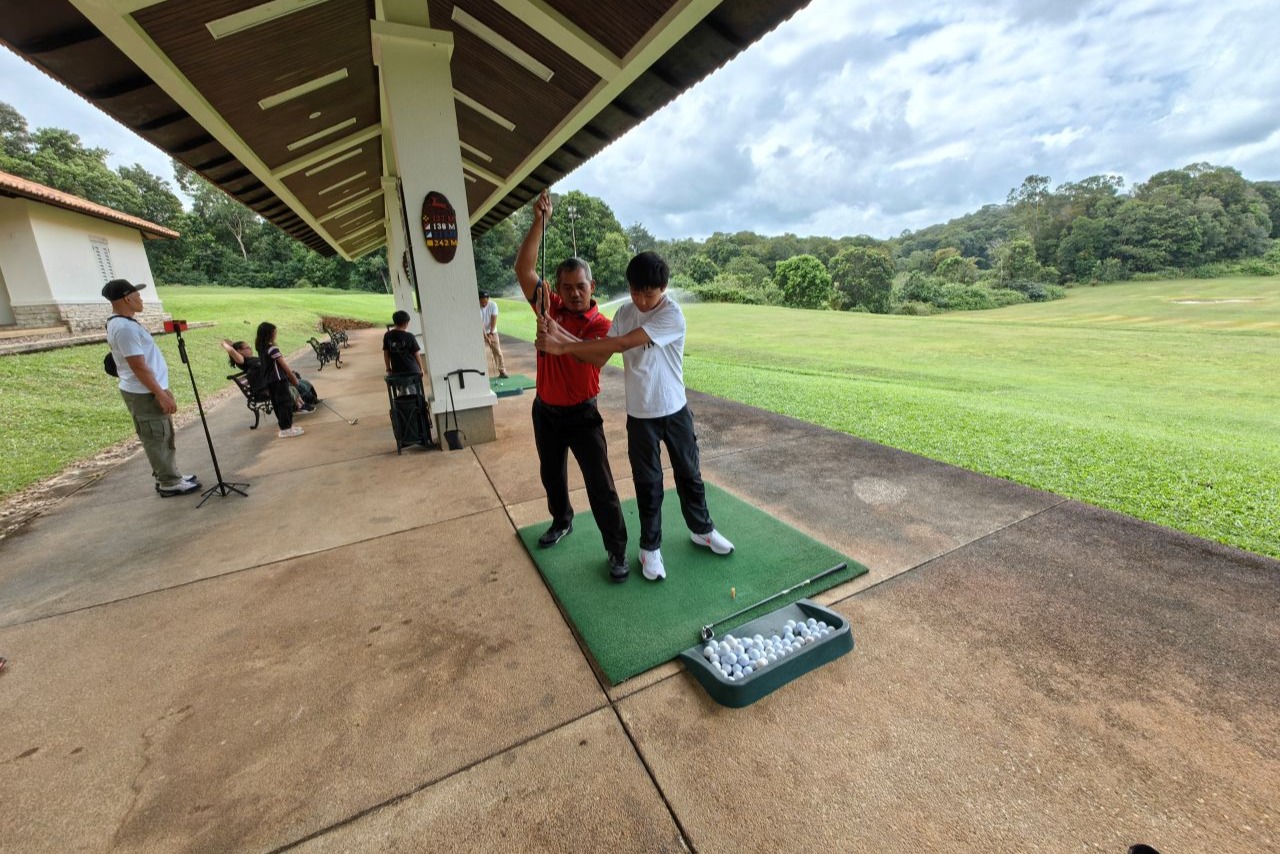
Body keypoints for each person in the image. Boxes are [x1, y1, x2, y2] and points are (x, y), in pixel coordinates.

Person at [536, 250, 734, 582]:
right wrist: (559, 337)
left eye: (649, 293)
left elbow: (623, 344)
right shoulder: (626, 313)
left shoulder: (672, 315)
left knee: (689, 473)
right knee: (649, 483)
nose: (641, 300)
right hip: (641, 414)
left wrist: (562, 346)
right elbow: (600, 354)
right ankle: (649, 549)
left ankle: (702, 529)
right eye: (635, 291)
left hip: (675, 409)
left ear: (664, 288)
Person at [515, 189, 629, 583]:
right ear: (558, 289)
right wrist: (539, 223)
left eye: (581, 286)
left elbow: (596, 356)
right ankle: (562, 521)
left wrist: (557, 338)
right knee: (552, 474)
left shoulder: (601, 323)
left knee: (601, 485)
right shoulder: (549, 306)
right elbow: (523, 269)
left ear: (592, 285)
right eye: (567, 288)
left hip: (582, 413)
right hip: (545, 410)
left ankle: (616, 549)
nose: (575, 293)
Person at [102, 278, 200, 497]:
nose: (140, 299)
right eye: (137, 295)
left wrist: (163, 389)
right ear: (127, 298)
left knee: (163, 435)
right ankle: (169, 482)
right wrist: (159, 393)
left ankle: (170, 474)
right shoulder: (124, 328)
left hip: (149, 388)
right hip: (143, 392)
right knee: (156, 436)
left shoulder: (125, 323)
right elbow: (138, 366)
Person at [223, 339, 315, 413]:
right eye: (247, 348)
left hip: (269, 383)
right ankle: (298, 407)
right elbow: (231, 350)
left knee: (297, 384)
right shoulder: (243, 361)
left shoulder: (251, 359)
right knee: (288, 388)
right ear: (239, 351)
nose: (250, 349)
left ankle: (303, 403)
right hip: (263, 389)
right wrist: (224, 343)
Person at [255, 322, 304, 438]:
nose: (276, 334)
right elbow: (283, 365)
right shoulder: (272, 348)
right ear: (269, 334)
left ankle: (287, 427)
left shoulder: (262, 348)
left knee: (278, 404)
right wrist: (293, 378)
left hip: (270, 381)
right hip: (279, 380)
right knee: (285, 403)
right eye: (274, 332)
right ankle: (286, 429)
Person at [382, 310, 425, 376]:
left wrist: (388, 369)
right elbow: (416, 354)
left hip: (397, 371)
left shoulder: (387, 335)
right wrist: (421, 368)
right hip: (412, 370)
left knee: (399, 386)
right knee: (414, 386)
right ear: (405, 323)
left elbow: (386, 354)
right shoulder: (409, 336)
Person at [479, 291, 508, 378]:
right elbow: (481, 324)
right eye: (481, 302)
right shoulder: (476, 306)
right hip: (480, 332)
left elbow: (493, 320)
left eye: (485, 302)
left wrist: (491, 334)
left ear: (488, 299)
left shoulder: (493, 305)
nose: (483, 304)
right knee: (479, 352)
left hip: (492, 331)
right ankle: (480, 373)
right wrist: (485, 337)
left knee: (497, 351)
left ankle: (502, 371)